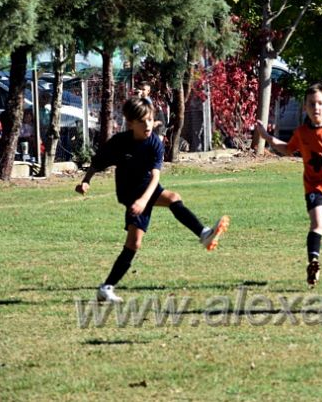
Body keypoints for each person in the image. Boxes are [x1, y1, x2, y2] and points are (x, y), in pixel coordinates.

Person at [75, 97, 229, 303]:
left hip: (147, 188)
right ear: (131, 123)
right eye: (142, 121)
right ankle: (106, 287)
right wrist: (86, 181)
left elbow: (156, 176)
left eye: (149, 119)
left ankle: (204, 234)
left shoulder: (154, 143)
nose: (147, 125)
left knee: (170, 201)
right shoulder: (120, 142)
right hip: (130, 195)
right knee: (134, 243)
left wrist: (144, 200)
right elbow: (98, 162)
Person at [255, 83, 322, 287]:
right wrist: (267, 138)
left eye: (320, 103)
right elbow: (288, 149)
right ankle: (313, 263)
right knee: (316, 224)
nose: (316, 107)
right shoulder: (302, 133)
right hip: (314, 186)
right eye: (311, 104)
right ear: (305, 107)